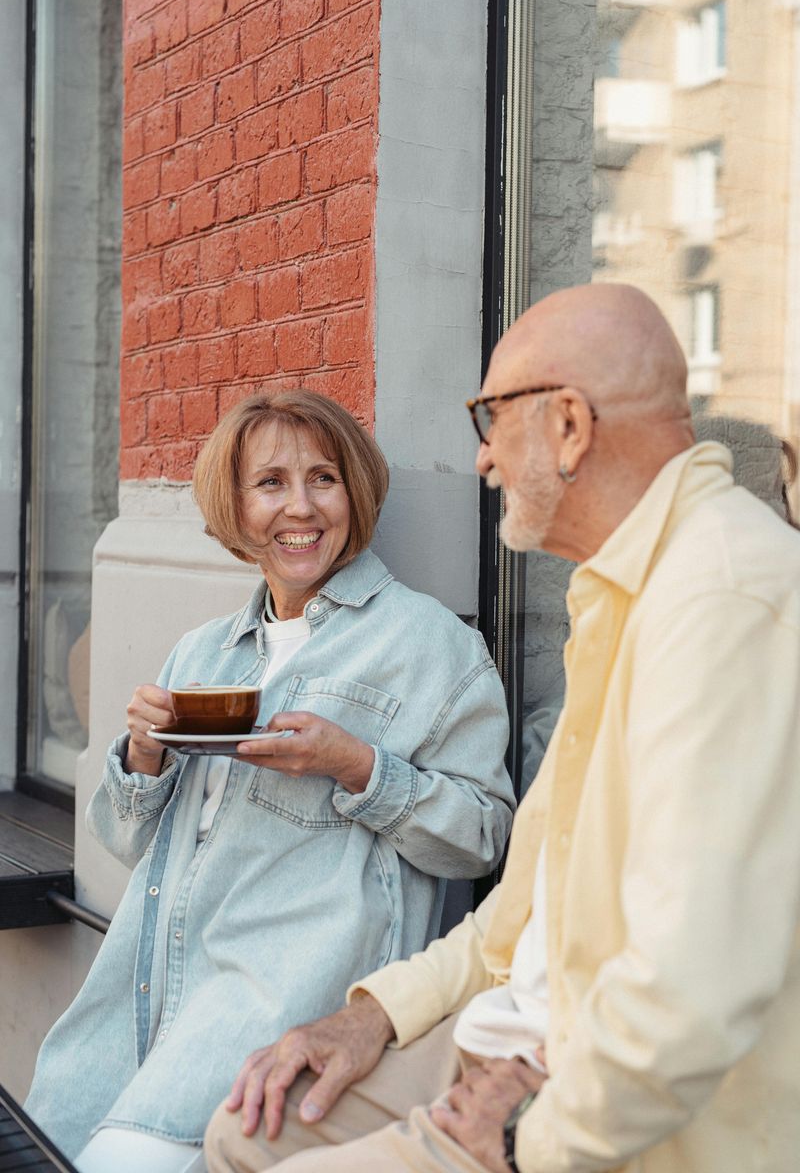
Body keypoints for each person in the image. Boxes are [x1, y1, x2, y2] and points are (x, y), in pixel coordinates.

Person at [204, 284, 800, 1173]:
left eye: (491, 416)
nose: (481, 459)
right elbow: (509, 930)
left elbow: (691, 994)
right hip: (511, 1034)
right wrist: (371, 1014)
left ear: (568, 426)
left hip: (600, 1099)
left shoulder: (724, 598)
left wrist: (527, 1136)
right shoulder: (619, 595)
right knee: (247, 1128)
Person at [24, 390, 515, 1172]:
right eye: (270, 484)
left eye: (324, 478)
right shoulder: (205, 653)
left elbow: (482, 838)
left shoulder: (432, 645)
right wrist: (142, 756)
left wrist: (357, 766)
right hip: (138, 1007)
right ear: (236, 505)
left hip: (275, 1017)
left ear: (356, 491)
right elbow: (126, 842)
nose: (301, 508)